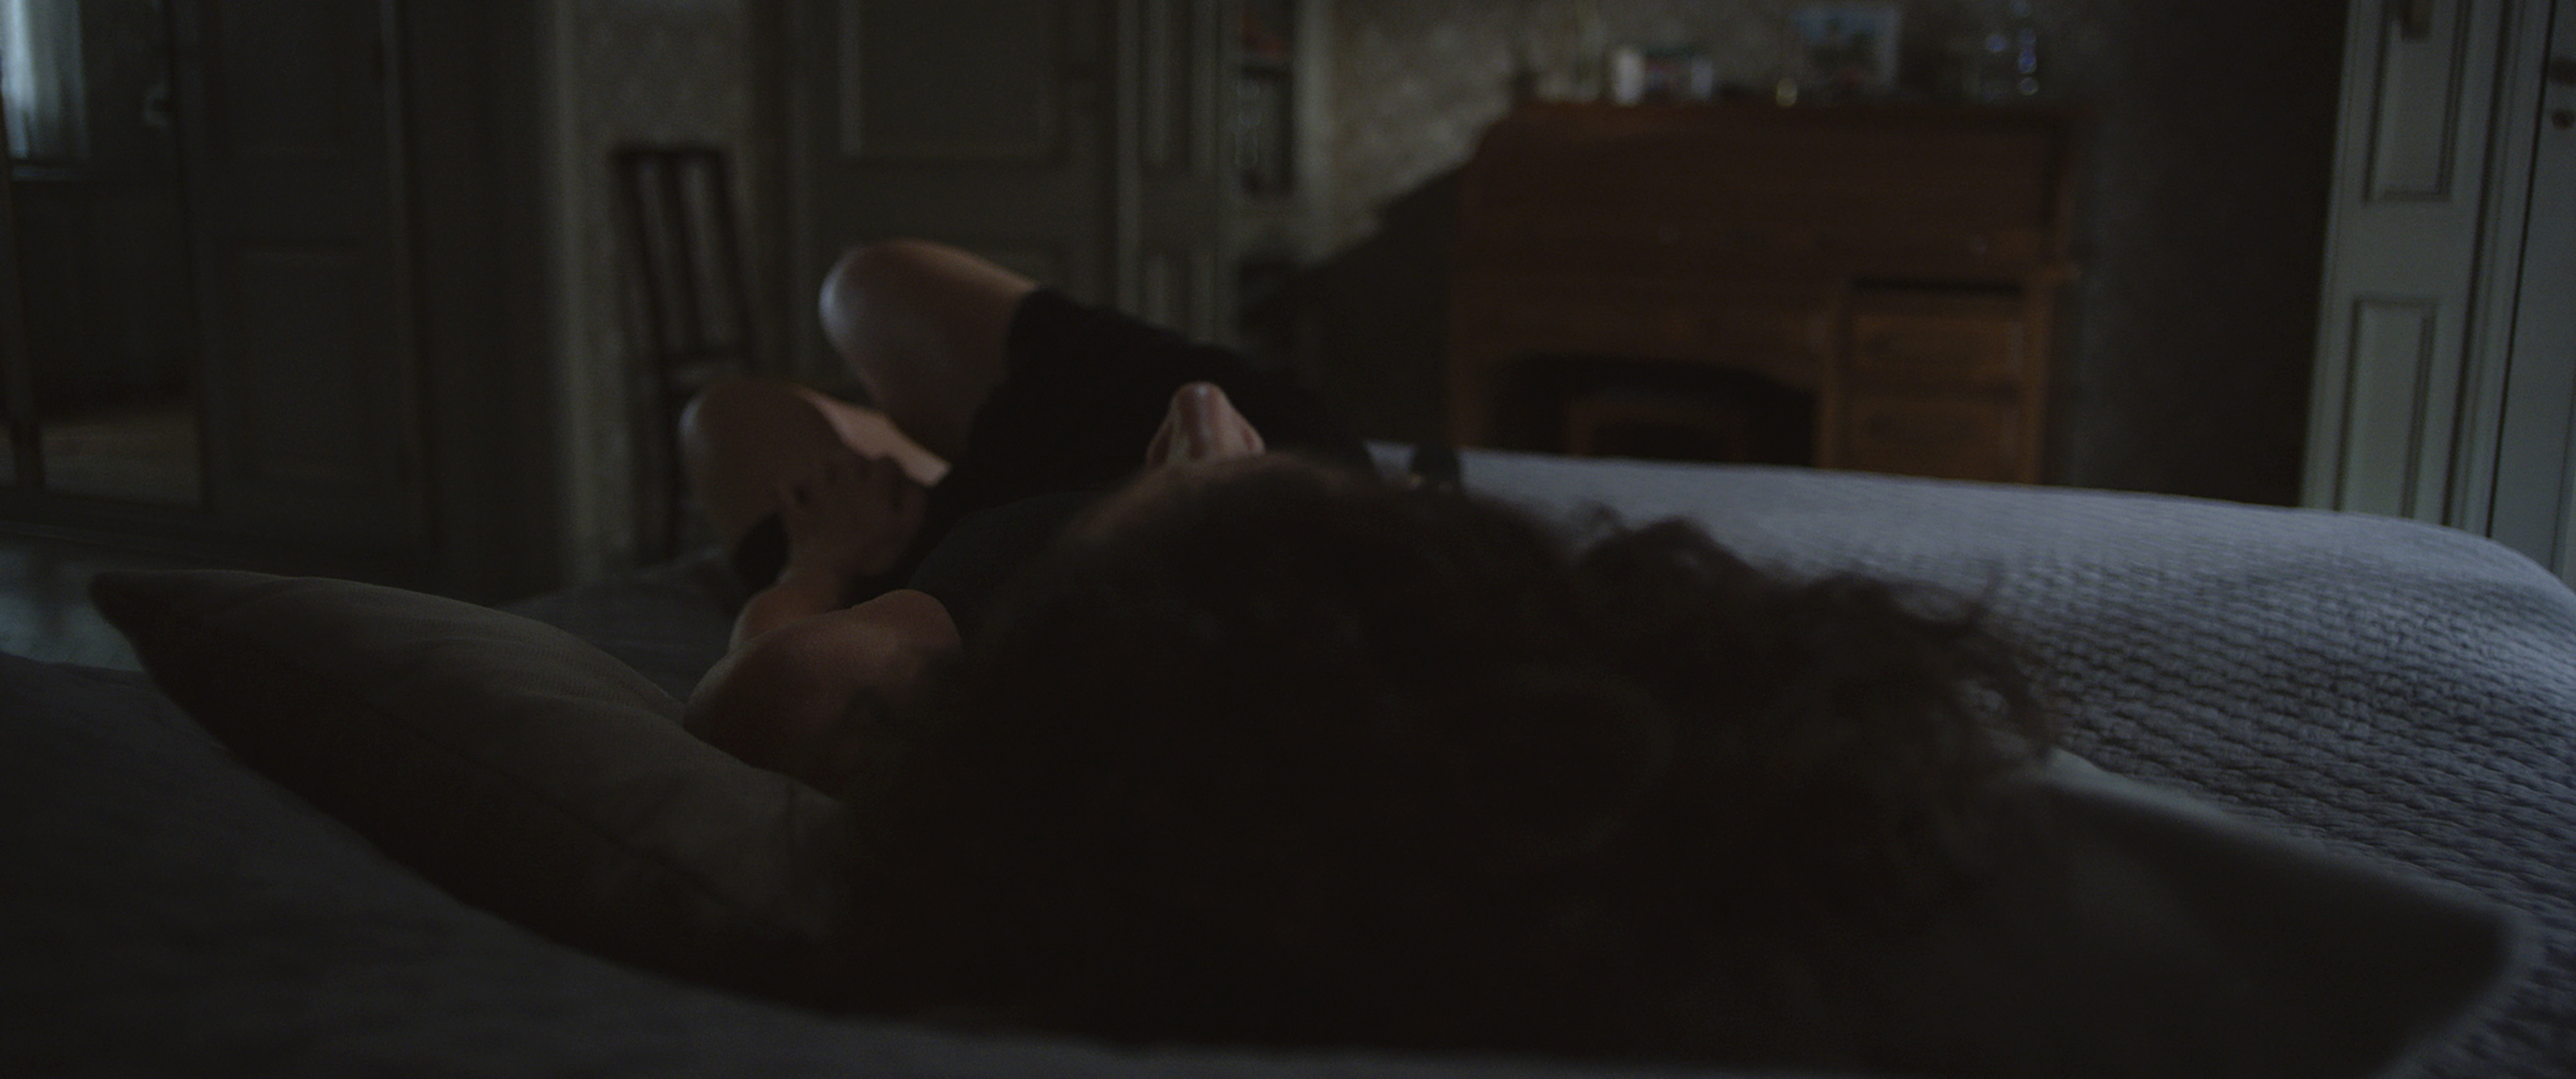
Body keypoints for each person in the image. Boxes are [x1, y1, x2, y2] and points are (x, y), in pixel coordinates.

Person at [678, 239, 2054, 1065]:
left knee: (729, 416)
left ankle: (907, 468)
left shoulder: (1121, 743)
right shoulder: (1539, 735)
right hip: (1219, 469)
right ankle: (917, 452)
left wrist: (825, 566)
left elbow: (770, 689)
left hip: (998, 556)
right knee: (866, 287)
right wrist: (1237, 501)